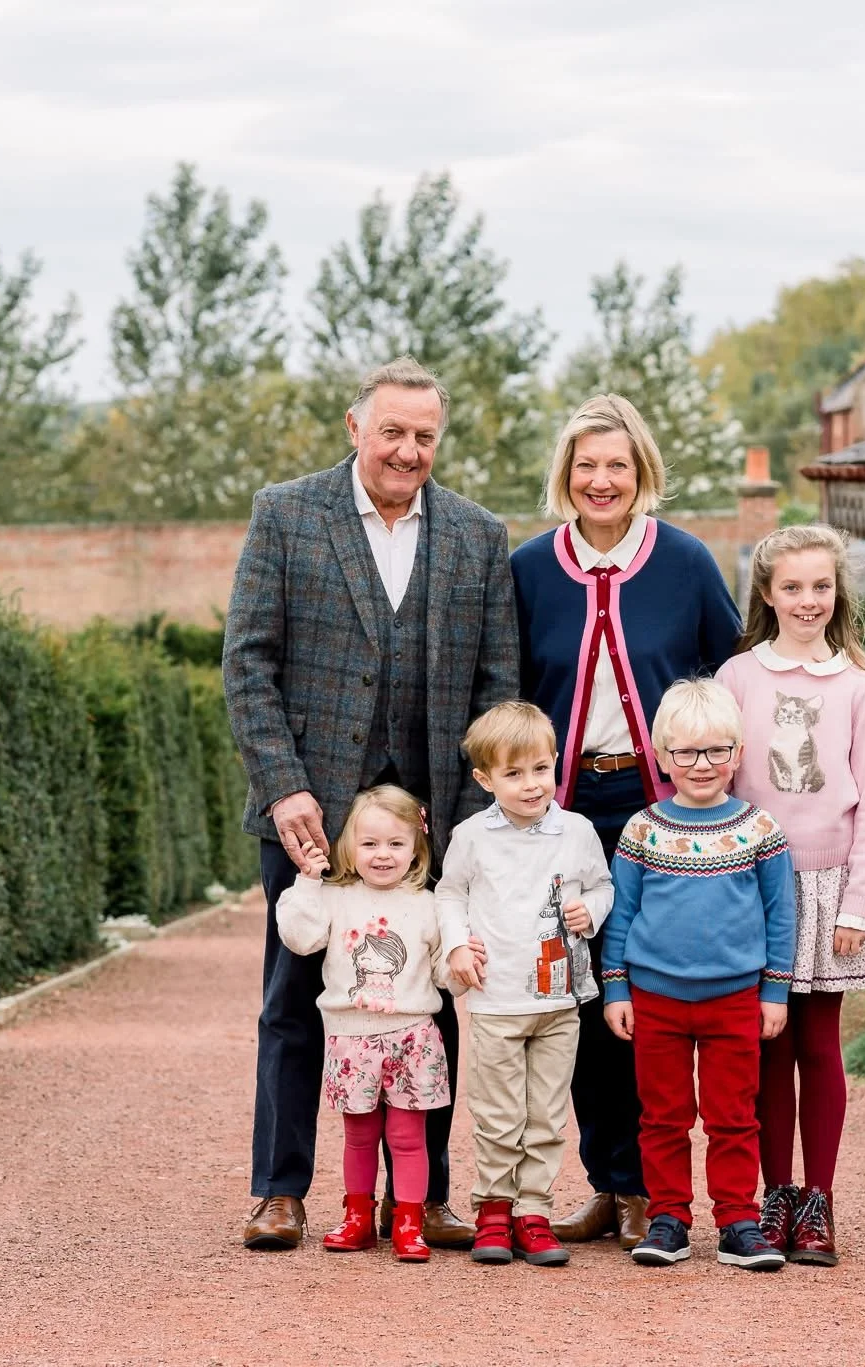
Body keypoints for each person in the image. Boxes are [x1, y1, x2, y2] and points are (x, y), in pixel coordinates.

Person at [223, 356, 520, 1252]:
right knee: (292, 997)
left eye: (425, 436)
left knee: (426, 999)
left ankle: (419, 1198)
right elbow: (248, 663)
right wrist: (284, 785)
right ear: (355, 427)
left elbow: (497, 683)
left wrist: (469, 816)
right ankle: (279, 1191)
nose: (408, 450)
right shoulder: (286, 513)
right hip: (311, 816)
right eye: (392, 431)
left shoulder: (478, 534)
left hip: (433, 822)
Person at [509, 393, 741, 1250]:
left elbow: (729, 672)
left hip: (663, 814)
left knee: (648, 993)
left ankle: (656, 1189)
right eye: (586, 466)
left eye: (617, 465)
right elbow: (510, 687)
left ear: (643, 473)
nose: (601, 480)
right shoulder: (531, 568)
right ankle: (611, 1181)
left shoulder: (682, 562)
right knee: (578, 998)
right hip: (561, 813)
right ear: (565, 476)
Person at [718, 525, 865, 1268]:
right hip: (757, 887)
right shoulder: (737, 678)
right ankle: (777, 1195)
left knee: (818, 1044)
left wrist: (858, 902)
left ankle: (818, 1201)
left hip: (830, 890)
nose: (807, 600)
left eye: (821, 586)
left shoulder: (857, 685)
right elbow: (717, 783)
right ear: (766, 593)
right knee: (769, 1044)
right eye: (792, 587)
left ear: (837, 593)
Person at [599, 679, 796, 1272]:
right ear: (662, 757)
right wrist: (615, 986)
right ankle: (669, 1219)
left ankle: (738, 1220)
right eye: (685, 752)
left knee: (734, 1115)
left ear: (737, 754)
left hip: (734, 998)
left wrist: (774, 991)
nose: (701, 764)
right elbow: (622, 911)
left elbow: (780, 914)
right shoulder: (643, 830)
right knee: (662, 1115)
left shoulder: (759, 831)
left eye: (716, 751)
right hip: (655, 997)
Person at [433, 701, 614, 1267]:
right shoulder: (472, 837)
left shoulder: (577, 831)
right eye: (514, 774)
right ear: (486, 779)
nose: (532, 784)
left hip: (559, 998)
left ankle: (534, 1212)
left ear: (556, 762)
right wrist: (458, 943)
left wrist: (591, 907)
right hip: (496, 1000)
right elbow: (448, 894)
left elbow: (603, 885)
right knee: (498, 1113)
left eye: (541, 768)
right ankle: (493, 1209)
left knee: (546, 1115)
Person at [276, 786, 466, 1262]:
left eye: (396, 844)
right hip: (351, 1038)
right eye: (370, 844)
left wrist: (463, 967)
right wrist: (307, 882)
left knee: (407, 1136)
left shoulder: (429, 904)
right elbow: (300, 938)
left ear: (416, 848)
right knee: (359, 1135)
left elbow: (443, 972)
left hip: (414, 1036)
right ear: (347, 847)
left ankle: (408, 1220)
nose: (383, 855)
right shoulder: (335, 899)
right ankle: (357, 1216)